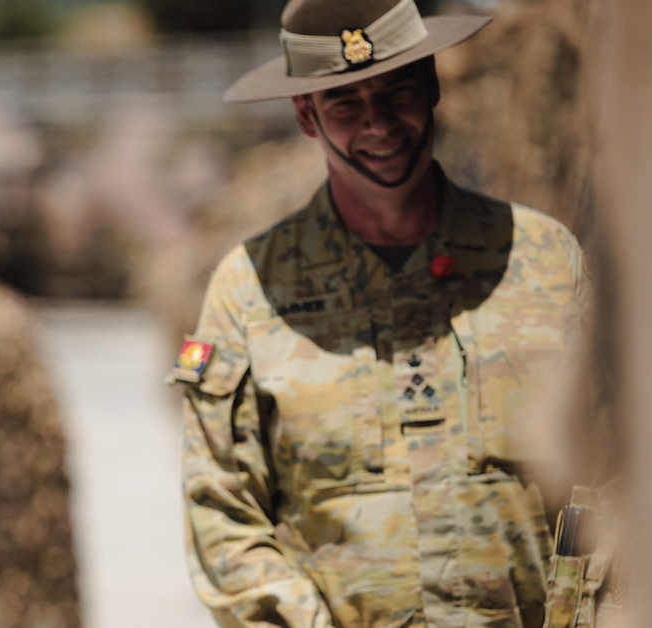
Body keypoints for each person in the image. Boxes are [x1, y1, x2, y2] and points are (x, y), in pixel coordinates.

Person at [172, 0, 586, 626]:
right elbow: (224, 513)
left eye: (398, 91)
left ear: (433, 85)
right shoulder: (251, 289)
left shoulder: (543, 259)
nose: (380, 125)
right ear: (305, 116)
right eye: (345, 103)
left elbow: (616, 473)